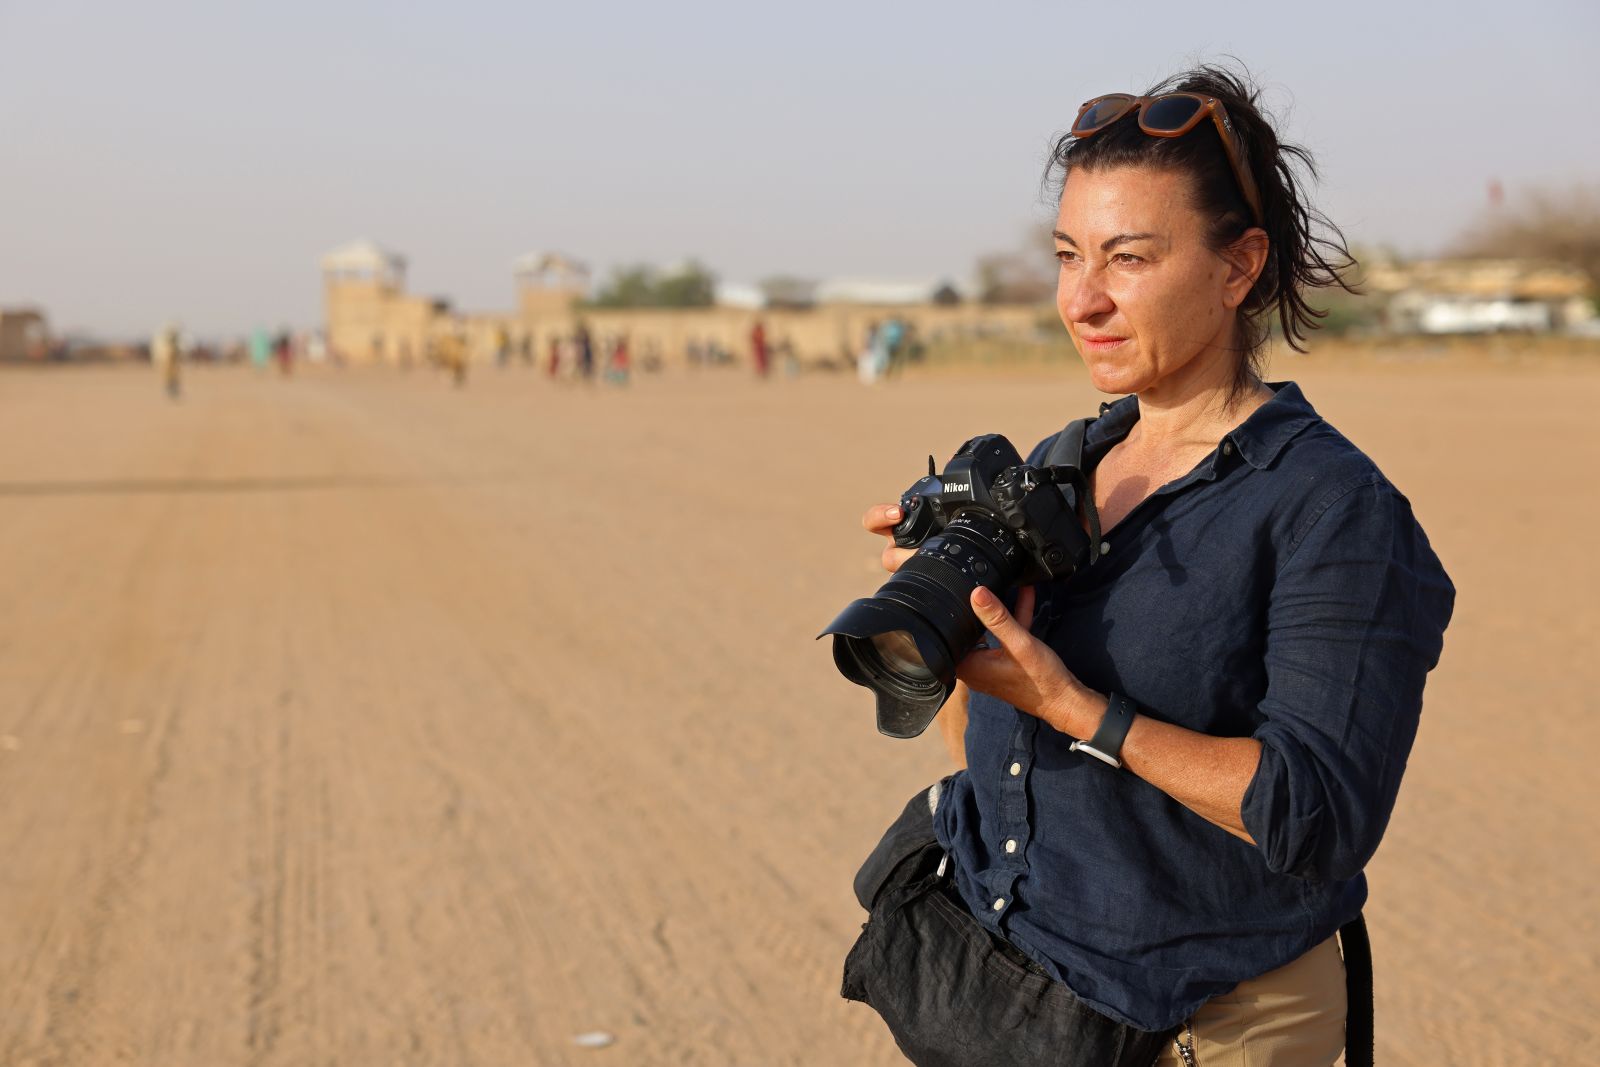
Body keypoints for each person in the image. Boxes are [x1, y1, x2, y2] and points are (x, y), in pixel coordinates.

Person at [841, 64, 1454, 1067]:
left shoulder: (1330, 508)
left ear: (1237, 266)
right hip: (1015, 990)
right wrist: (943, 617)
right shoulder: (1060, 462)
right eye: (1068, 254)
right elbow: (978, 740)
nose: (1082, 299)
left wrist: (1076, 707)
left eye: (1127, 258)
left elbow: (1316, 812)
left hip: (1206, 1020)